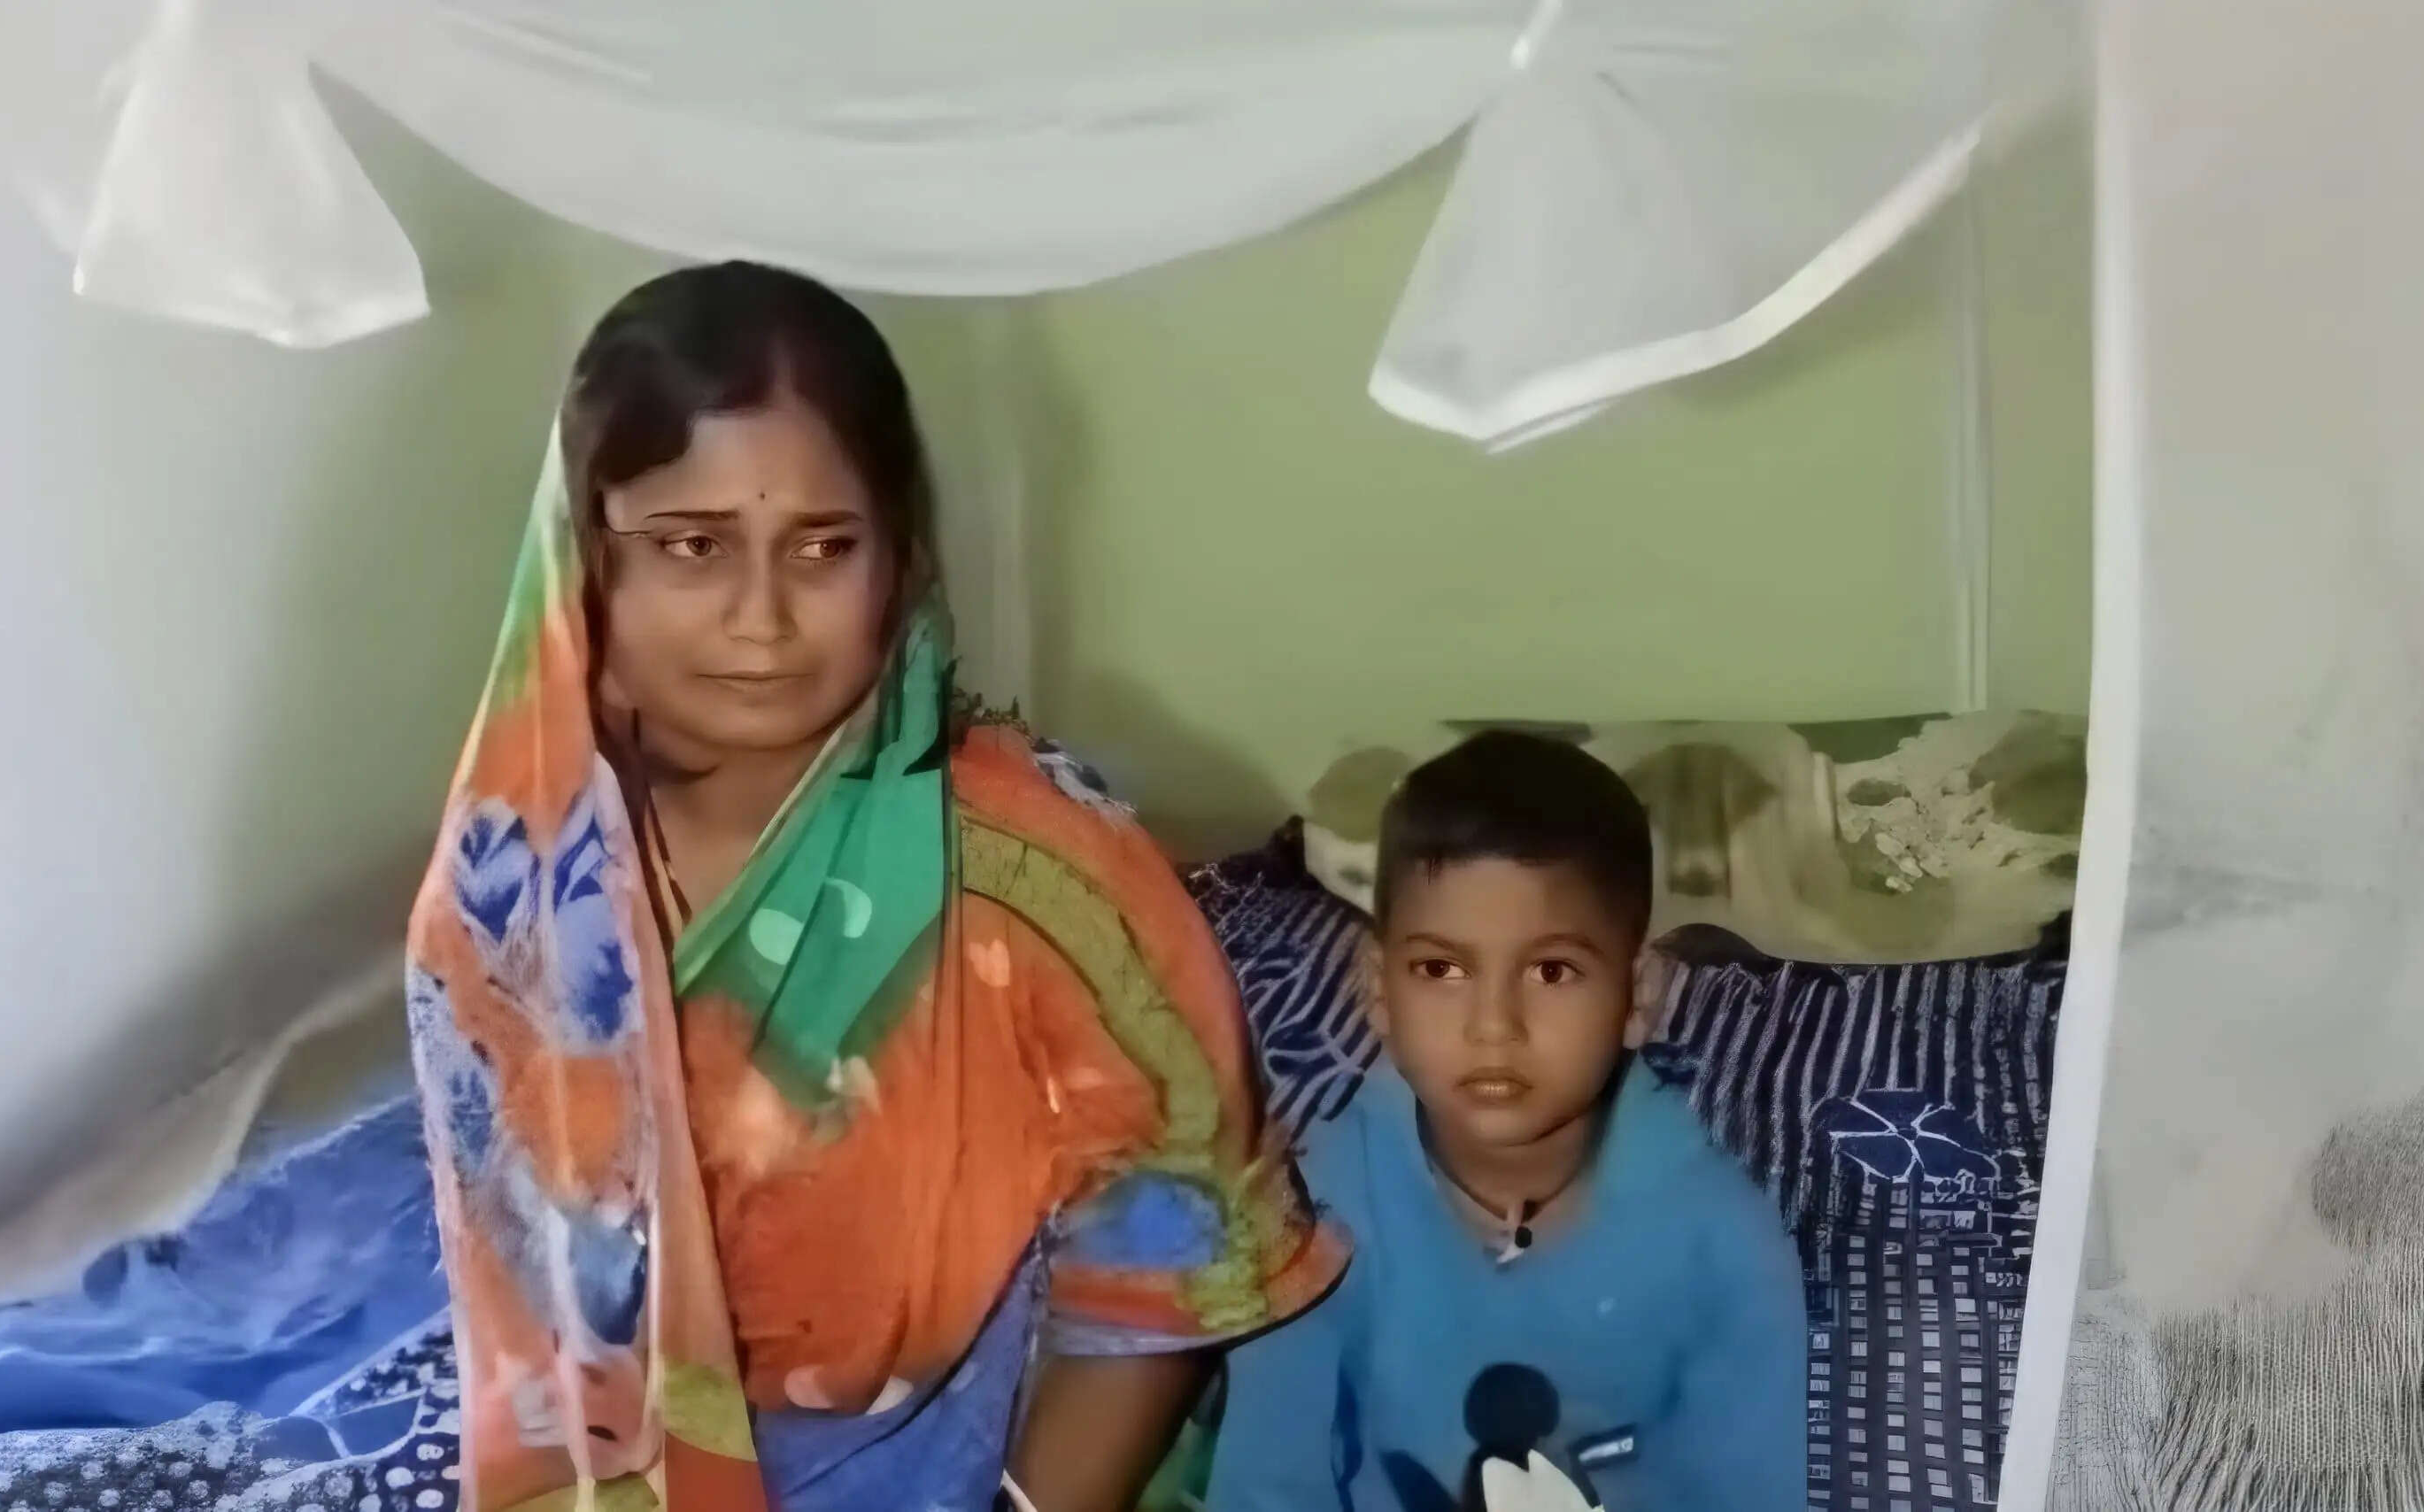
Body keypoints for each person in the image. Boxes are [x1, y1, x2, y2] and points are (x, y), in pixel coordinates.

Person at [405, 262, 1345, 1512]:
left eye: (822, 547)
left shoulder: (1034, 870)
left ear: (899, 558)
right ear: (588, 560)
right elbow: (530, 1286)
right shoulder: (507, 890)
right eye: (692, 546)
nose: (760, 618)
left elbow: (1170, 1263)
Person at [1206, 731, 1805, 1512]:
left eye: (1552, 971)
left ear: (1638, 997)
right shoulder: (1318, 1210)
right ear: (1378, 990)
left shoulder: (1724, 1247)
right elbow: (1267, 1487)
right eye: (1441, 969)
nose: (1494, 1026)